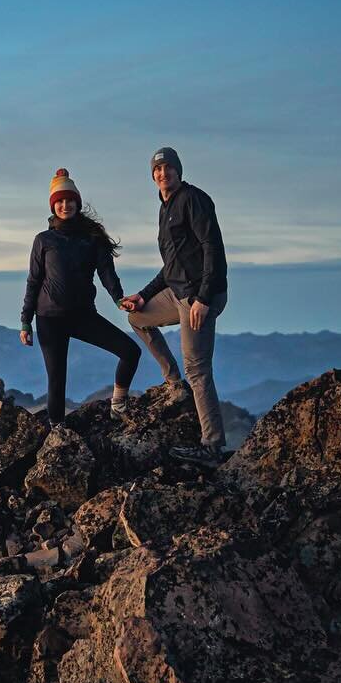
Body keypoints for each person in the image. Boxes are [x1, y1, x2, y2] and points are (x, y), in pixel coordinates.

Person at [118, 147, 229, 457]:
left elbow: (213, 250)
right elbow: (172, 267)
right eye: (157, 169)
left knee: (198, 368)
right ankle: (173, 382)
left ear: (178, 171)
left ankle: (213, 446)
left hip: (201, 296)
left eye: (168, 168)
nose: (162, 173)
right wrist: (143, 295)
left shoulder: (194, 200)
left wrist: (203, 299)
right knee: (137, 319)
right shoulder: (165, 208)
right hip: (179, 293)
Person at [20, 168, 141, 424]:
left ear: (77, 202)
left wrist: (119, 299)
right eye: (60, 201)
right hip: (48, 319)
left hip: (83, 316)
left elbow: (107, 272)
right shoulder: (43, 240)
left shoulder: (92, 238)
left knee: (130, 351)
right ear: (54, 206)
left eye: (69, 200)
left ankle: (118, 404)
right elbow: (33, 281)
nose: (65, 205)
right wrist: (25, 322)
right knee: (57, 380)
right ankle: (57, 433)